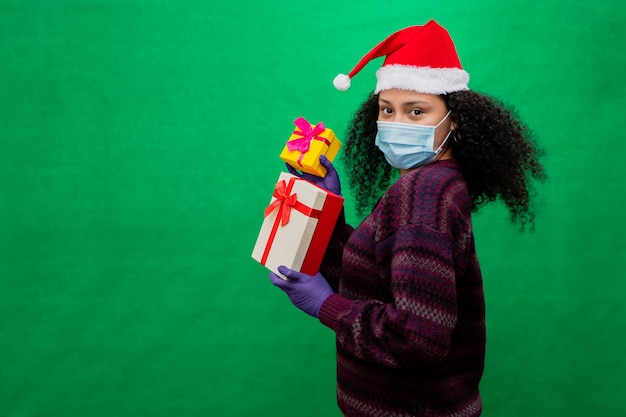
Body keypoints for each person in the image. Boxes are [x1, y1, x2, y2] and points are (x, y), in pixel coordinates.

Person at [268, 20, 545, 417]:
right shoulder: (431, 184)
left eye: (417, 111)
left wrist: (327, 305)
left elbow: (418, 337)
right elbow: (378, 277)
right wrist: (326, 209)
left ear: (455, 120)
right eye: (387, 109)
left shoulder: (424, 195)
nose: (397, 123)